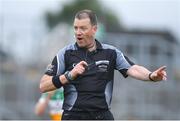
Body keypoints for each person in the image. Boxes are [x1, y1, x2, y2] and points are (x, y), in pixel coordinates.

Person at [39, 9, 167, 120]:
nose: (78, 32)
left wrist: (151, 75)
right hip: (73, 116)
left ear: (94, 29)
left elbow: (133, 68)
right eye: (75, 27)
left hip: (101, 117)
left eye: (83, 28)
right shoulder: (65, 53)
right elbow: (43, 85)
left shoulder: (110, 52)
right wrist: (68, 76)